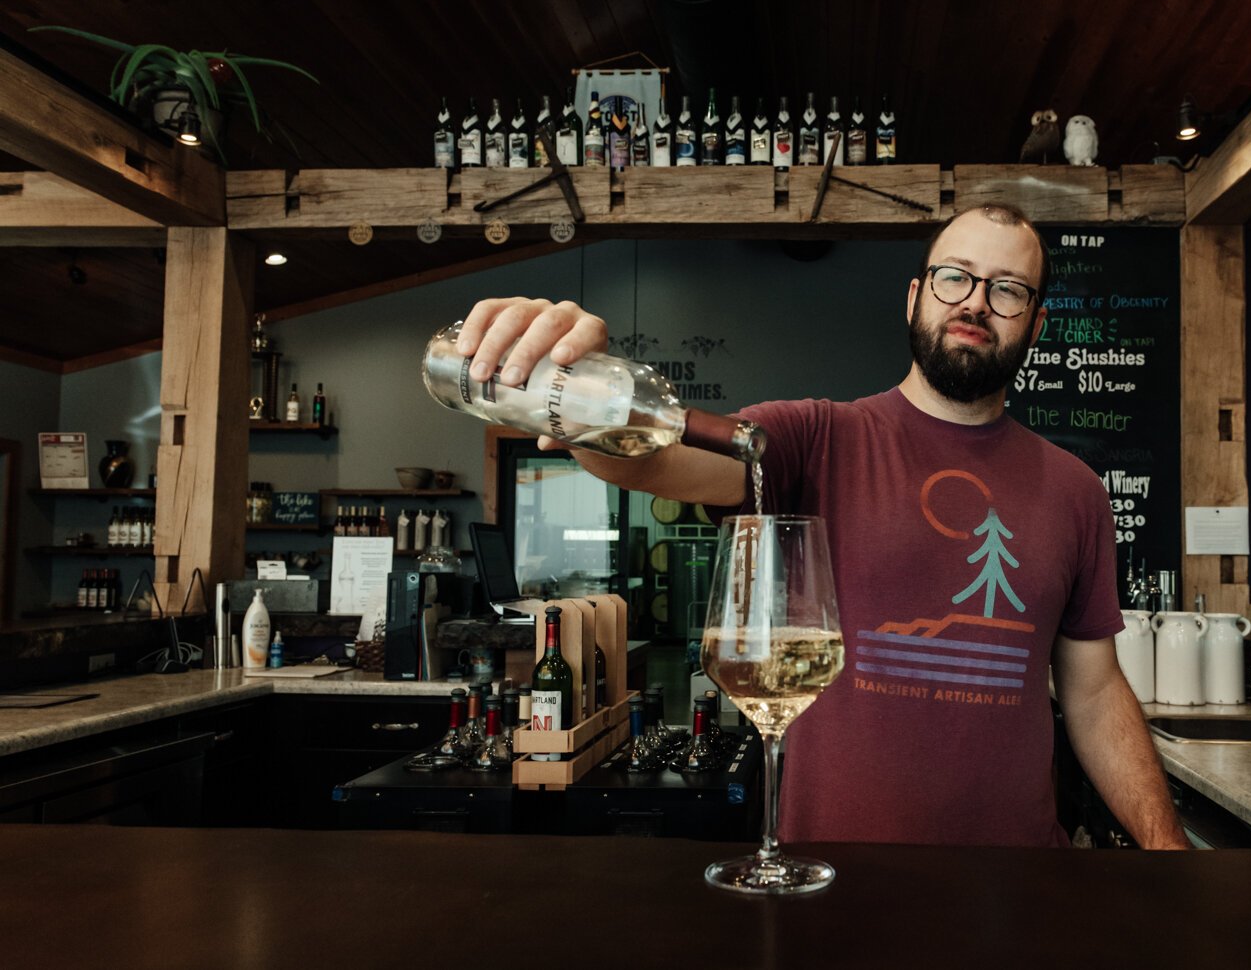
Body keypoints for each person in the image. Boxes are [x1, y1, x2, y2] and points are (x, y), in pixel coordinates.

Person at [456, 204, 1189, 850]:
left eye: (1008, 289)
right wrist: (575, 383)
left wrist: (1168, 850)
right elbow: (648, 464)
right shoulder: (811, 438)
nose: (976, 302)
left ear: (1037, 321)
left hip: (1016, 889)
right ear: (916, 298)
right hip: (830, 883)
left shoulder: (1077, 491)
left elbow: (1093, 693)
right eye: (954, 277)